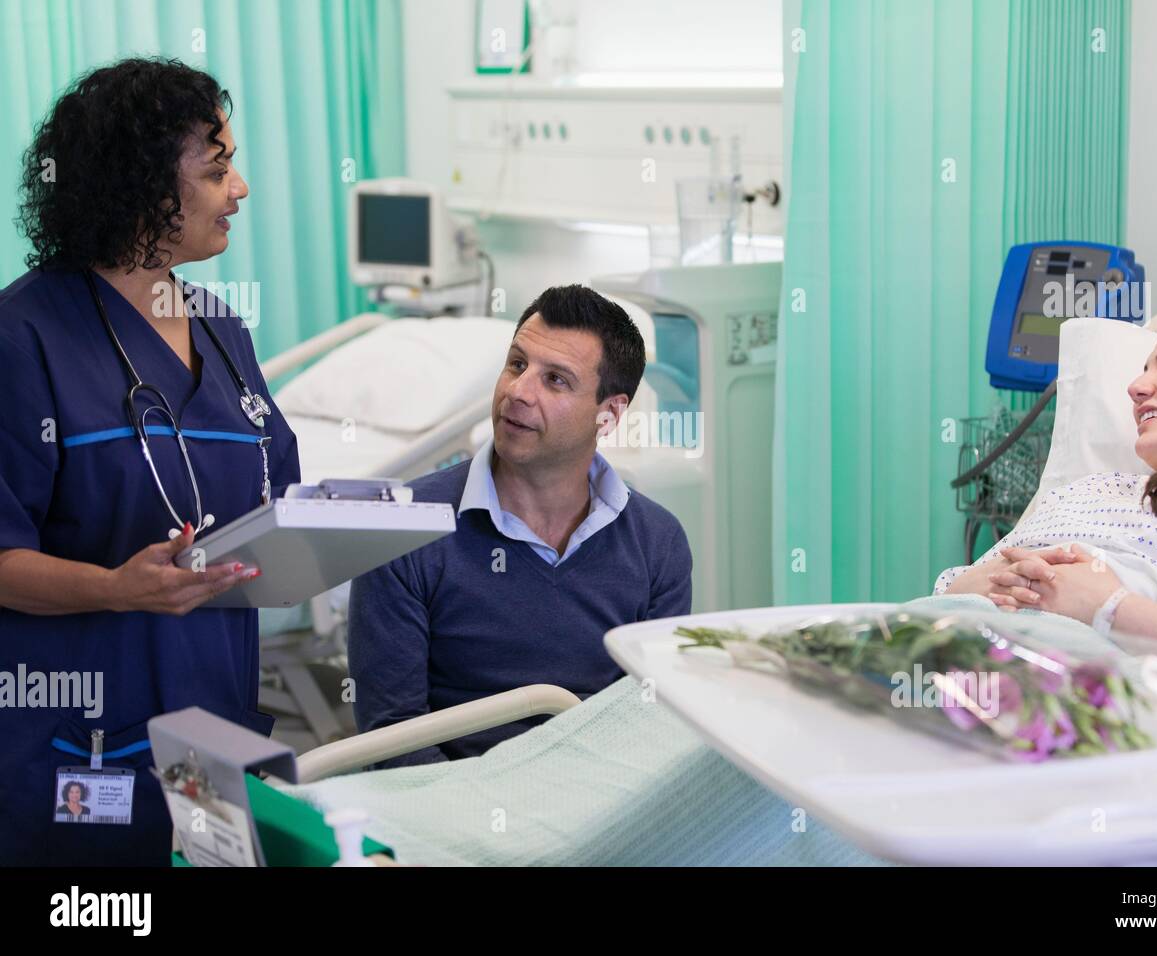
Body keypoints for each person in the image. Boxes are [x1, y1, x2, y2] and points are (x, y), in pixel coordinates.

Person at [0, 58, 300, 864]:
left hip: (212, 719)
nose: (239, 189)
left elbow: (277, 495)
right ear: (140, 186)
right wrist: (111, 588)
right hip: (76, 731)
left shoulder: (222, 331)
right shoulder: (24, 339)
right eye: (217, 168)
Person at [348, 285, 693, 765]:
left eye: (555, 380)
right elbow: (391, 734)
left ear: (609, 413)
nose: (518, 391)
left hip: (601, 799)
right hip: (449, 804)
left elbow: (650, 719)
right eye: (516, 364)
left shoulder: (658, 544)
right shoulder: (401, 529)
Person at [937, 309, 1157, 750]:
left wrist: (1109, 607)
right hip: (951, 655)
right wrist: (982, 580)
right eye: (1143, 369)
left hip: (1077, 705)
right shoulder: (1087, 490)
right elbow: (955, 592)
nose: (1135, 388)